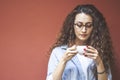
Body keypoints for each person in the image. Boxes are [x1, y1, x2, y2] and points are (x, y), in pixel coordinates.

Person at [46, 4, 114, 80]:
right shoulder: (58, 52)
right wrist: (63, 60)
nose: (84, 30)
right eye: (79, 25)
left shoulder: (99, 52)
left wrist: (99, 62)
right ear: (72, 25)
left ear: (94, 27)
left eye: (88, 25)